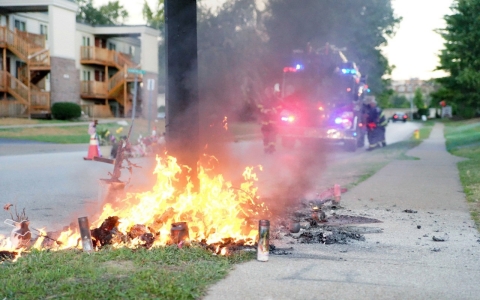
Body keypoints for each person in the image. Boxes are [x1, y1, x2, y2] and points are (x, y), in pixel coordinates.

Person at [257, 87, 282, 153]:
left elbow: (279, 108)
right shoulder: (263, 100)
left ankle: (272, 147)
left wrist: (274, 111)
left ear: (271, 93)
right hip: (265, 122)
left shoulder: (276, 100)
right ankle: (266, 148)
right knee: (266, 136)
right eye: (267, 93)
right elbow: (259, 108)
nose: (268, 94)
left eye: (269, 93)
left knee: (272, 135)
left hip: (273, 122)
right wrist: (264, 111)